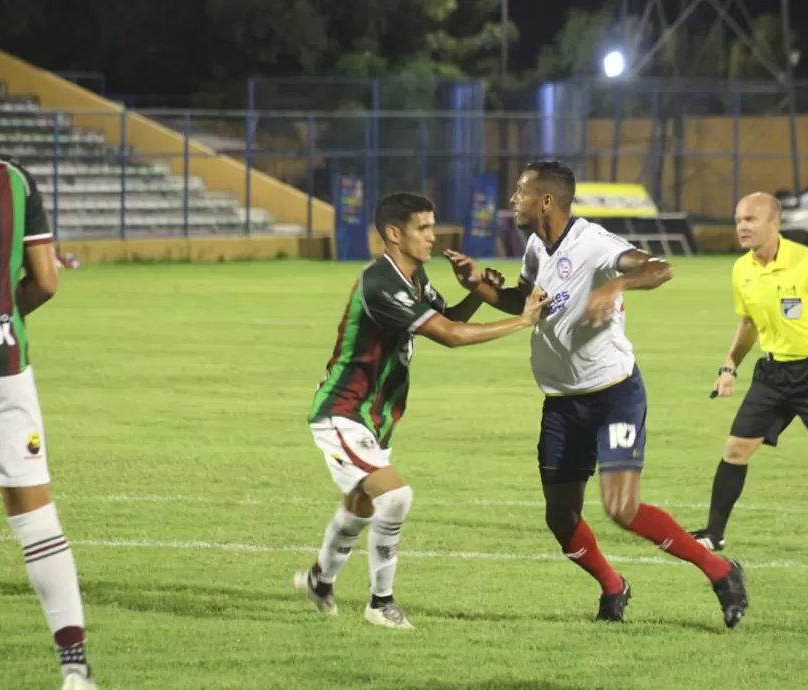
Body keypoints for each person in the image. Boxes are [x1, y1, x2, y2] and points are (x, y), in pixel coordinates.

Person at [444, 161, 748, 628]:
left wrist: (617, 284)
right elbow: (526, 302)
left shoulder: (593, 242)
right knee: (560, 519)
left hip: (614, 395)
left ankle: (721, 571)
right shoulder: (534, 248)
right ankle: (613, 586)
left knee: (621, 507)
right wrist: (480, 288)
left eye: (521, 192)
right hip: (562, 404)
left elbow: (660, 268)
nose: (512, 200)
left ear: (546, 200)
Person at [294, 192, 550, 630]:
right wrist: (522, 321)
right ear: (394, 234)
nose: (433, 236)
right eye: (423, 228)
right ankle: (380, 603)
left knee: (361, 504)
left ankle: (320, 580)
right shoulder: (381, 282)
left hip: (373, 416)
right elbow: (448, 334)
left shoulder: (412, 277)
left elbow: (445, 314)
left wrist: (478, 291)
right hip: (342, 411)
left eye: (433, 226)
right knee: (395, 497)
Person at [0, 60, 96, 689]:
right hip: (4, 360)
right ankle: (75, 668)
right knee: (34, 514)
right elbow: (47, 280)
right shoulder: (13, 175)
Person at [687, 192, 808, 559]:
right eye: (739, 219)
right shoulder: (742, 269)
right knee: (736, 449)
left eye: (751, 219)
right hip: (772, 374)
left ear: (775, 223)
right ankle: (714, 535)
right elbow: (747, 323)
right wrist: (728, 368)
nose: (742, 226)